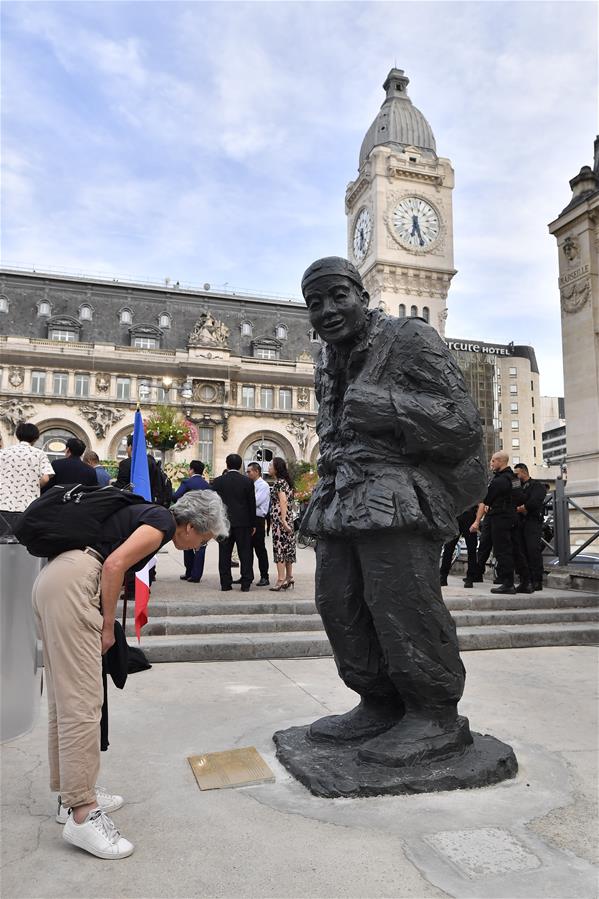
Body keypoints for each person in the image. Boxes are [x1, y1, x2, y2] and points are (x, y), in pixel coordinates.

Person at [298, 256, 485, 766]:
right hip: (340, 494)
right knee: (339, 604)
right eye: (315, 303)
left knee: (401, 602)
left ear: (362, 294)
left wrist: (390, 408)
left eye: (338, 296)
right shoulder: (325, 359)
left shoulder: (409, 338)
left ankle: (434, 713)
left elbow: (463, 423)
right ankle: (377, 702)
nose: (328, 310)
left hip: (395, 495)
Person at [33, 489, 229, 860]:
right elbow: (113, 565)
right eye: (202, 540)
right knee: (83, 704)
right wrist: (107, 626)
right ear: (188, 526)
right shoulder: (160, 523)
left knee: (66, 700)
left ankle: (72, 794)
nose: (197, 547)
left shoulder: (149, 516)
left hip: (57, 579)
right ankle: (83, 812)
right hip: (76, 585)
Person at [473, 451, 520, 595]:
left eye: (493, 461)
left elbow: (486, 498)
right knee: (510, 549)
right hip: (512, 516)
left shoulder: (498, 480)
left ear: (500, 461)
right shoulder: (514, 479)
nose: (491, 464)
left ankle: (507, 583)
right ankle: (512, 581)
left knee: (502, 550)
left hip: (499, 517)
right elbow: (521, 496)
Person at [211, 454, 256, 592]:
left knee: (224, 553)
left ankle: (225, 583)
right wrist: (253, 523)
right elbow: (251, 504)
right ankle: (246, 582)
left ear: (227, 464)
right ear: (240, 465)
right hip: (243, 522)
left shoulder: (218, 482)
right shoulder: (247, 482)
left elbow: (214, 504)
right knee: (245, 553)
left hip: (224, 523)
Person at [0, 421, 54, 534]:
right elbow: (45, 478)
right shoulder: (39, 454)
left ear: (18, 435)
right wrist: (32, 485)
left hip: (3, 503)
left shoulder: (3, 453)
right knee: (22, 542)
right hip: (28, 505)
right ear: (35, 438)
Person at [172, 460, 211, 582]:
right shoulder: (207, 485)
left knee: (188, 544)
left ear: (192, 470)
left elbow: (175, 496)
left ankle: (188, 571)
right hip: (203, 517)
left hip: (188, 518)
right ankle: (196, 575)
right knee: (201, 545)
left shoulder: (187, 483)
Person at [514, 463, 547, 591]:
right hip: (519, 522)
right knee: (521, 551)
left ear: (523, 472)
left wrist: (524, 507)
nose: (515, 476)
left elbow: (535, 501)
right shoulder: (517, 486)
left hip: (532, 521)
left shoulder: (537, 485)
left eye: (517, 474)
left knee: (533, 550)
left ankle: (537, 580)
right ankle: (525, 580)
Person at [268, 457, 296, 591]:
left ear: (276, 468)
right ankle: (289, 577)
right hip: (288, 518)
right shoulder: (287, 482)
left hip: (281, 520)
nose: (268, 468)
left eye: (270, 465)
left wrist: (283, 520)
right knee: (288, 547)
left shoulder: (279, 483)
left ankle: (280, 579)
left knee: (280, 548)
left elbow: (282, 501)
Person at [114, 435, 163, 502]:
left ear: (130, 446)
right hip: (151, 502)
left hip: (132, 503)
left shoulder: (125, 464)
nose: (126, 449)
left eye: (126, 446)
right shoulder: (152, 462)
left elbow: (120, 487)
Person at [440, 505, 479, 588]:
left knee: (471, 549)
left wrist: (477, 521)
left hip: (469, 515)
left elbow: (481, 502)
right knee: (448, 547)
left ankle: (470, 578)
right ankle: (443, 577)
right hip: (455, 515)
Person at [245, 462, 270, 586]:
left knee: (259, 549)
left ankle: (264, 576)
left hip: (258, 519)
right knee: (247, 549)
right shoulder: (249, 484)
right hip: (249, 518)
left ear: (256, 471)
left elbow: (256, 501)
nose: (247, 474)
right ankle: (247, 575)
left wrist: (244, 503)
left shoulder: (263, 485)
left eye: (249, 471)